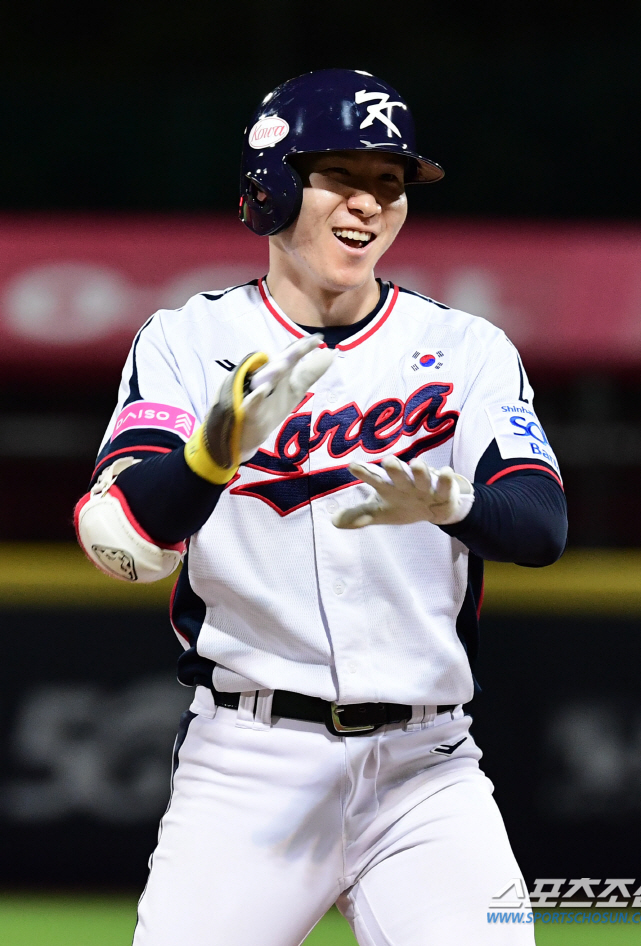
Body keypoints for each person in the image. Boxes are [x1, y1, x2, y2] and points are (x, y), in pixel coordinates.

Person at [76, 68, 567, 946]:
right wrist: (206, 458)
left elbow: (540, 525)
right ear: (270, 185)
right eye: (341, 174)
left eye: (390, 183)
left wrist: (455, 500)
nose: (370, 203)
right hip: (249, 767)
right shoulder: (191, 340)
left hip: (428, 770)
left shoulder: (464, 349)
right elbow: (126, 538)